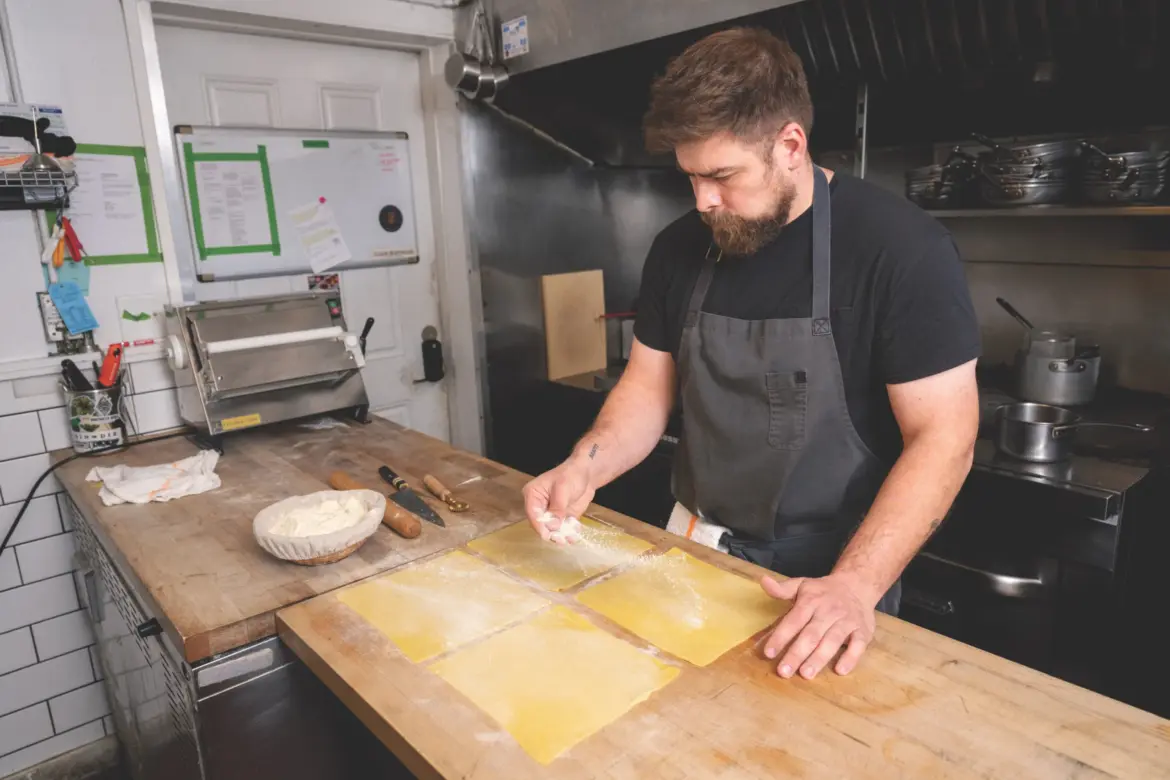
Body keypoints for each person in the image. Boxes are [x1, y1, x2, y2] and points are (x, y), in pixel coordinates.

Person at [522, 27, 980, 680]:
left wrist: (853, 587)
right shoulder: (679, 249)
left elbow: (945, 437)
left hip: (827, 588)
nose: (703, 200)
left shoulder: (901, 251)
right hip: (692, 556)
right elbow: (648, 390)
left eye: (721, 176)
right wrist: (584, 467)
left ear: (789, 145)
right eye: (690, 177)